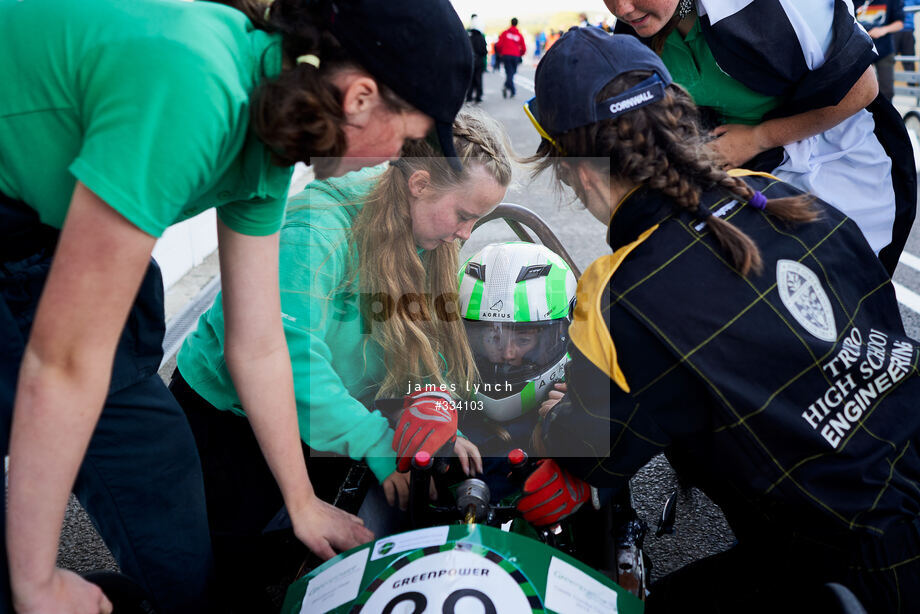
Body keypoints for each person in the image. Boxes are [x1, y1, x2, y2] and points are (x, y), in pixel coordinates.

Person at [0, 0, 475, 611]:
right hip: (16, 209)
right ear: (358, 97)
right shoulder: (192, 82)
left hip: (49, 223)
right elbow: (66, 359)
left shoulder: (274, 139)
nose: (394, 161)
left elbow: (258, 341)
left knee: (156, 461)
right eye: (407, 140)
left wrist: (302, 503)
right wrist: (36, 582)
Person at [519, 27, 920, 613]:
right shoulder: (784, 195)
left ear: (580, 172)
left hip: (851, 569)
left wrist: (552, 423)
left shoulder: (620, 296)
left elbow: (595, 455)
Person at [171, 109, 510, 610]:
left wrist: (436, 405)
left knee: (319, 535)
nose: (466, 234)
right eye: (464, 216)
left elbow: (424, 330)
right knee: (224, 581)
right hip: (229, 416)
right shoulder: (315, 231)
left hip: (332, 407)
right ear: (419, 183)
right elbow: (290, 365)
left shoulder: (421, 225)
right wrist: (376, 441)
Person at [608, 0, 916, 276]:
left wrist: (758, 138)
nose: (622, 8)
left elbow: (861, 91)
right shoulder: (633, 30)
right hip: (737, 180)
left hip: (832, 171)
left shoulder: (778, 7)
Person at [858, 1, 906, 100]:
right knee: (860, 91)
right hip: (861, 51)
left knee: (887, 90)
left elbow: (900, 23)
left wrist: (883, 30)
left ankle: (884, 115)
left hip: (884, 50)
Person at [496, 18, 527, 98]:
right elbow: (523, 48)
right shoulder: (519, 35)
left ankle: (507, 86)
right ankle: (512, 90)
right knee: (512, 72)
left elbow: (498, 45)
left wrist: (500, 52)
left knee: (509, 73)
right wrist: (520, 54)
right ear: (517, 24)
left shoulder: (505, 33)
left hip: (506, 55)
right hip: (515, 56)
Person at [468, 15, 488, 103]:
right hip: (479, 61)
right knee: (478, 78)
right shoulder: (481, 38)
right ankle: (478, 96)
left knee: (471, 79)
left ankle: (469, 96)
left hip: (471, 61)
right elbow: (484, 51)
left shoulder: (469, 37)